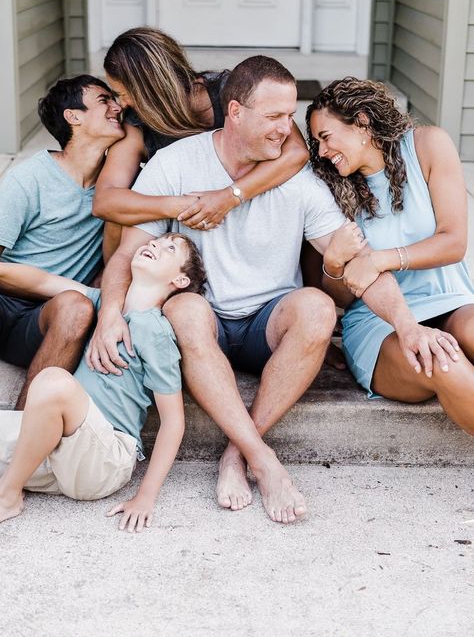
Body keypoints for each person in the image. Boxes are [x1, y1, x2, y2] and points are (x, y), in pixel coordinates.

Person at [86, 57, 450, 524]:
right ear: (235, 112)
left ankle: (239, 454)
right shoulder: (176, 163)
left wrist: (406, 325)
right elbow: (125, 254)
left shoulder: (296, 180)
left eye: (289, 115)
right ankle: (263, 459)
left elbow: (361, 266)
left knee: (317, 308)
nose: (288, 130)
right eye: (274, 117)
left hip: (268, 325)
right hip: (207, 323)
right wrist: (111, 313)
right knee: (186, 311)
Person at [0, 233, 206, 532]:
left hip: (105, 459)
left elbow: (174, 421)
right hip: (59, 451)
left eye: (169, 248)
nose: (154, 244)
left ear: (180, 281)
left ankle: (8, 495)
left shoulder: (154, 330)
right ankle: (17, 476)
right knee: (48, 391)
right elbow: (42, 281)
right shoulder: (100, 303)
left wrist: (145, 497)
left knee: (54, 382)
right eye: (156, 240)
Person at [306, 76, 474, 435]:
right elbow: (339, 297)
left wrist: (380, 259)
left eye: (326, 137)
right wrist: (334, 265)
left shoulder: (428, 146)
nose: (321, 152)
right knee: (444, 363)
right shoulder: (328, 190)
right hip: (377, 325)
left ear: (362, 122)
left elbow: (453, 242)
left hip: (451, 301)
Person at [92, 27, 309, 258]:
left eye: (123, 94)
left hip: (244, 210)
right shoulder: (137, 124)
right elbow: (105, 201)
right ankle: (116, 283)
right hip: (176, 235)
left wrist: (229, 197)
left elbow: (296, 152)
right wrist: (182, 206)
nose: (121, 104)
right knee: (119, 216)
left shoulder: (226, 91)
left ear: (148, 89)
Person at [0, 75, 124, 410]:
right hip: (5, 303)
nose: (118, 106)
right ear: (74, 116)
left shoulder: (119, 187)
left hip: (47, 316)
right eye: (104, 100)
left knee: (75, 309)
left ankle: (21, 437)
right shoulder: (30, 178)